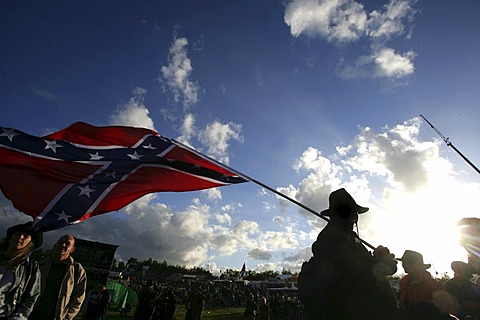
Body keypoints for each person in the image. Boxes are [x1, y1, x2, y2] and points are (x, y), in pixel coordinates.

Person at [299, 188, 398, 320]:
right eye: (354, 212)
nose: (355, 218)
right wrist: (384, 265)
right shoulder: (333, 238)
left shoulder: (346, 236)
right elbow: (355, 280)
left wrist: (377, 259)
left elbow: (359, 267)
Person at [29, 234, 87, 320]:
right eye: (60, 242)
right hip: (31, 314)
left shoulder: (77, 270)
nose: (63, 245)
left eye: (67, 244)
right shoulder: (40, 264)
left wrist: (66, 317)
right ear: (55, 246)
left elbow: (78, 298)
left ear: (72, 249)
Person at [0, 221, 43, 319]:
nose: (21, 237)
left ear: (30, 243)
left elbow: (30, 298)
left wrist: (18, 318)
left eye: (26, 236)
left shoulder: (31, 268)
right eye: (18, 234)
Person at [399, 250, 455, 318]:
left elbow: (446, 310)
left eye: (408, 262)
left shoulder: (435, 285)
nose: (403, 265)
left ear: (417, 264)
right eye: (403, 262)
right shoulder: (403, 283)